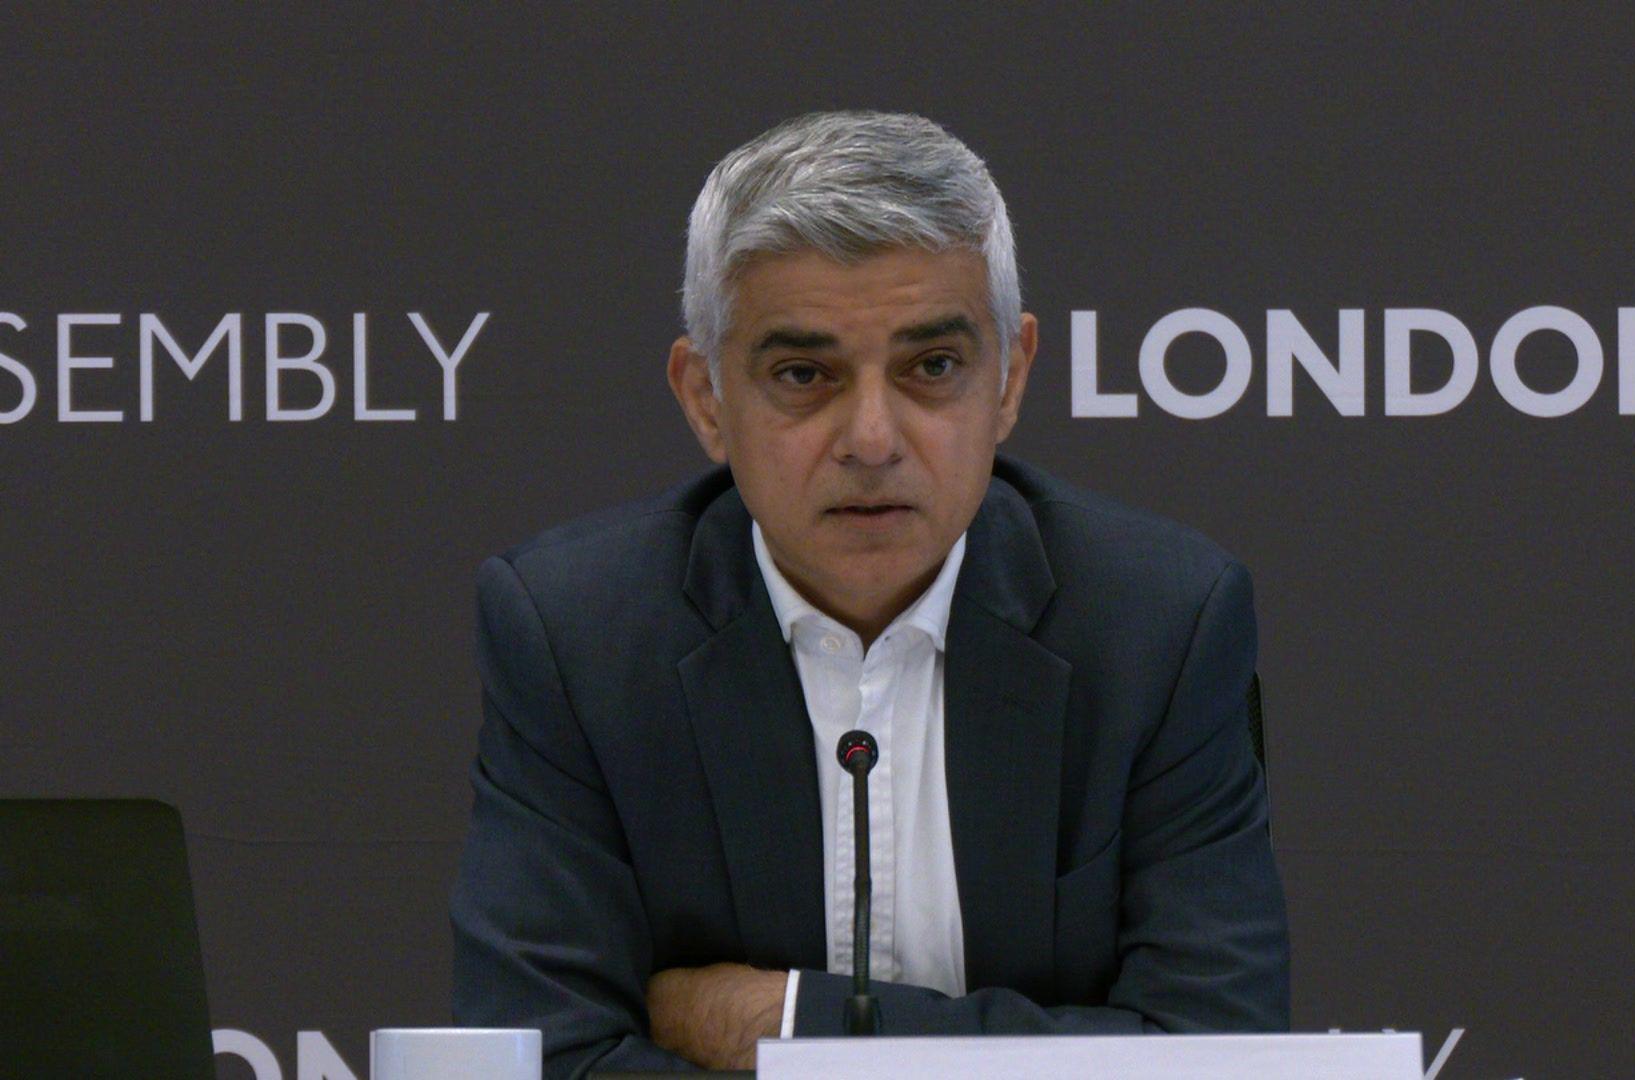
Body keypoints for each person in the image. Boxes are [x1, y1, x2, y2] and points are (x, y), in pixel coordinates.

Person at [451, 110, 1289, 1078]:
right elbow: (543, 1061)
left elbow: (1219, 1057)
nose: (874, 439)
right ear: (705, 399)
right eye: (804, 374)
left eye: (933, 367)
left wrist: (793, 1021)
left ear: (1010, 380)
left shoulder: (1159, 624)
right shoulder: (575, 634)